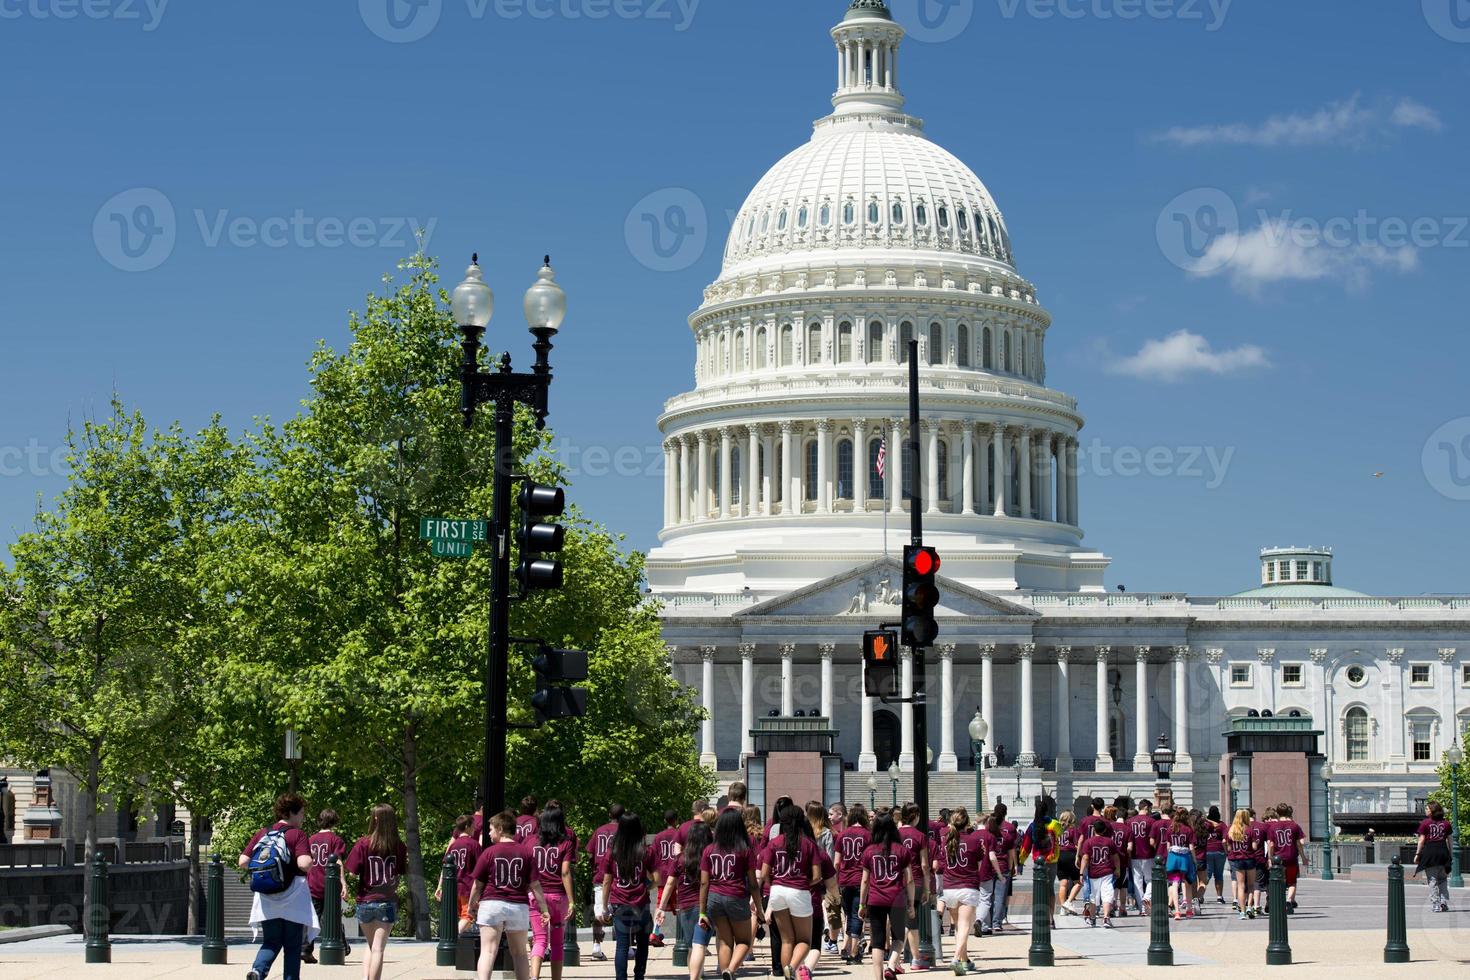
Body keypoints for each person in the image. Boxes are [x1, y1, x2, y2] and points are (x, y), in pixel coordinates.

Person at [238, 792, 317, 980]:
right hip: (293, 898)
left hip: (266, 897)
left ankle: (258, 970)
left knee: (271, 941)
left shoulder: (263, 832)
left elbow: (243, 861)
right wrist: (311, 860)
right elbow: (304, 864)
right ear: (292, 813)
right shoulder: (297, 834)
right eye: (302, 814)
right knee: (292, 944)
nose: (303, 818)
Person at [469, 810, 551, 980]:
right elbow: (535, 884)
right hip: (518, 906)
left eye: (491, 829)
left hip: (491, 904)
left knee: (488, 951)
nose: (489, 833)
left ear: (500, 829)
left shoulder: (489, 853)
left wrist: (471, 906)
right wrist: (544, 909)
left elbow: (477, 885)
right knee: (520, 953)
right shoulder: (526, 853)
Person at [344, 803, 409, 980]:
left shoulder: (363, 843)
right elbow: (401, 871)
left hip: (365, 900)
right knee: (378, 948)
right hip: (386, 900)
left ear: (375, 819)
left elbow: (351, 871)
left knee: (371, 945)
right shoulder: (399, 845)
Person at [702, 807, 765, 980]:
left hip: (714, 898)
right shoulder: (744, 849)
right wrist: (759, 909)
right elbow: (753, 884)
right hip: (736, 896)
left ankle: (725, 973)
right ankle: (730, 970)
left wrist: (702, 910)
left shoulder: (709, 850)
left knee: (724, 942)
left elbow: (704, 882)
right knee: (744, 941)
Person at [761, 803, 821, 980]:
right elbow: (817, 876)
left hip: (777, 891)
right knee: (804, 940)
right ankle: (791, 968)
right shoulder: (809, 843)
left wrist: (774, 884)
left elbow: (764, 874)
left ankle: (788, 975)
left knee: (787, 939)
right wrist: (804, 884)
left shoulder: (774, 842)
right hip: (799, 890)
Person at [599, 812, 661, 980]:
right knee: (642, 944)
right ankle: (639, 976)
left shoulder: (613, 852)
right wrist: (647, 887)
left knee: (622, 946)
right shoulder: (646, 851)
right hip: (640, 902)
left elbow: (606, 881)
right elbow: (657, 878)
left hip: (619, 902)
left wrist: (604, 907)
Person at [858, 811, 915, 980]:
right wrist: (911, 904)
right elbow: (910, 880)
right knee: (899, 935)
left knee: (877, 939)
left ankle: (878, 977)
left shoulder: (869, 851)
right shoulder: (902, 850)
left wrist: (862, 904)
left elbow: (865, 881)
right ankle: (891, 964)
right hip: (896, 897)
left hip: (875, 898)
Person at [659, 816, 715, 980]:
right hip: (706, 906)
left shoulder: (681, 859)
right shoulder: (711, 857)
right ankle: (696, 976)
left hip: (686, 906)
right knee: (700, 945)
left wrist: (661, 908)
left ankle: (696, 975)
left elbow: (669, 884)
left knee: (692, 946)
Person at [530, 805, 576, 980]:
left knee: (539, 939)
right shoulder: (566, 844)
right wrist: (571, 901)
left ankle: (534, 977)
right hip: (558, 897)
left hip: (536, 896)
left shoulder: (531, 842)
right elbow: (565, 872)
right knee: (557, 943)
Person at [934, 808, 979, 974]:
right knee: (965, 925)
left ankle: (964, 959)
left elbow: (941, 864)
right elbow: (978, 865)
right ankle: (955, 958)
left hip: (950, 887)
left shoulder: (946, 841)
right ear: (966, 823)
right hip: (968, 885)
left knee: (959, 926)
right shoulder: (973, 840)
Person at [302, 808, 350, 964]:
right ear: (335, 821)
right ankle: (342, 945)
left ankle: (306, 949)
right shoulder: (336, 840)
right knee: (333, 916)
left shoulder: (310, 839)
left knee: (311, 918)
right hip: (329, 885)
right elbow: (337, 861)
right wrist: (343, 883)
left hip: (312, 883)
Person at [585, 804, 624, 961]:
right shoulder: (623, 832)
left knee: (599, 912)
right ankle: (625, 947)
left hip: (600, 876)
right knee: (622, 912)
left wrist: (595, 865)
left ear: (609, 814)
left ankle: (596, 946)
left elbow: (589, 852)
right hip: (619, 877)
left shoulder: (599, 830)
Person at [435, 814, 483, 937]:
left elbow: (445, 868)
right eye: (473, 826)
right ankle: (451, 937)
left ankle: (452, 940)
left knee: (456, 917)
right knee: (469, 916)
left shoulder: (453, 846)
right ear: (467, 826)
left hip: (452, 887)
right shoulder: (474, 845)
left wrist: (440, 886)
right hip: (467, 887)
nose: (475, 829)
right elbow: (480, 869)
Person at [835, 804, 871, 965]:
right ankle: (854, 953)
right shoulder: (867, 835)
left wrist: (835, 882)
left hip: (844, 879)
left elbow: (836, 862)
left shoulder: (842, 835)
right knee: (858, 915)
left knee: (850, 914)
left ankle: (849, 949)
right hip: (860, 878)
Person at [896, 803, 931, 968]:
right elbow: (924, 865)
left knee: (906, 920)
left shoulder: (895, 834)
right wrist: (927, 888)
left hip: (896, 880)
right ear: (915, 816)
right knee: (911, 920)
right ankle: (909, 957)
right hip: (915, 880)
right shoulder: (920, 836)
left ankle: (909, 956)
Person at [1077, 814, 1120, 928]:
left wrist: (1081, 873)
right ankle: (1106, 917)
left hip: (1093, 873)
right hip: (1107, 871)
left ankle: (1092, 917)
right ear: (1105, 829)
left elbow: (1085, 858)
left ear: (1094, 829)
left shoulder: (1088, 842)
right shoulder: (1109, 841)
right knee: (1107, 894)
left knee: (1093, 896)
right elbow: (1116, 857)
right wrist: (1118, 869)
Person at [1265, 803, 1306, 913]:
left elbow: (1271, 844)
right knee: (1292, 882)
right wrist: (1304, 858)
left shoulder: (1273, 827)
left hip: (1279, 858)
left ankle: (1276, 901)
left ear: (1277, 813)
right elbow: (1299, 844)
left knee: (1279, 881)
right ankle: (1288, 901)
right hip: (1292, 857)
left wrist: (1270, 858)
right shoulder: (1294, 826)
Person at [1413, 801, 1453, 913]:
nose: (1425, 810)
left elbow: (1421, 840)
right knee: (1443, 879)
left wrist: (1417, 854)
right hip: (1443, 853)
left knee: (1432, 880)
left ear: (1432, 811)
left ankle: (1436, 904)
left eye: (1427, 808)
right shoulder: (1446, 823)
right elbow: (1450, 839)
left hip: (1430, 853)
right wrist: (1450, 854)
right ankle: (1443, 902)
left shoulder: (1425, 823)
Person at [652, 810, 683, 948]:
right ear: (676, 820)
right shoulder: (680, 834)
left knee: (660, 905)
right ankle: (685, 937)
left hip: (664, 876)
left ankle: (655, 932)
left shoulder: (658, 837)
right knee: (683, 906)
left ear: (664, 820)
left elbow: (653, 856)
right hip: (678, 875)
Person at [1161, 808, 1196, 921]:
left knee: (1174, 884)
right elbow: (1191, 847)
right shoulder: (1188, 829)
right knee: (1188, 883)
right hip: (1185, 857)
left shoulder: (1171, 828)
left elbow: (1167, 846)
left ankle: (1177, 911)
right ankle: (1189, 910)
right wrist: (1194, 860)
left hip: (1173, 857)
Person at [1225, 809, 1258, 920]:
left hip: (1237, 859)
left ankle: (1242, 912)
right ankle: (1249, 907)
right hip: (1249, 859)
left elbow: (1229, 848)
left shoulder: (1231, 831)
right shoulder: (1250, 830)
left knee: (1240, 885)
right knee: (1251, 885)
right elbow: (1254, 847)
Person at [1125, 804, 1156, 916]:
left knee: (1137, 881)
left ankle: (1142, 908)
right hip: (1148, 853)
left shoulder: (1129, 821)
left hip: (1134, 854)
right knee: (1150, 879)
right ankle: (1147, 897)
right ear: (1146, 808)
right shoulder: (1151, 821)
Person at [1054, 811, 1080, 917]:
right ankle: (1068, 901)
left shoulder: (1057, 829)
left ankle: (1063, 908)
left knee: (1063, 883)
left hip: (1059, 855)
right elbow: (1077, 844)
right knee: (1079, 881)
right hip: (1070, 855)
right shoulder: (1073, 830)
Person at [1203, 806, 1227, 906]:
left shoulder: (1204, 824)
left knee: (1206, 875)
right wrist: (1226, 851)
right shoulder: (1222, 825)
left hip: (1207, 850)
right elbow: (1224, 839)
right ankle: (1219, 897)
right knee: (1219, 875)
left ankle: (1200, 896)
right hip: (1219, 851)